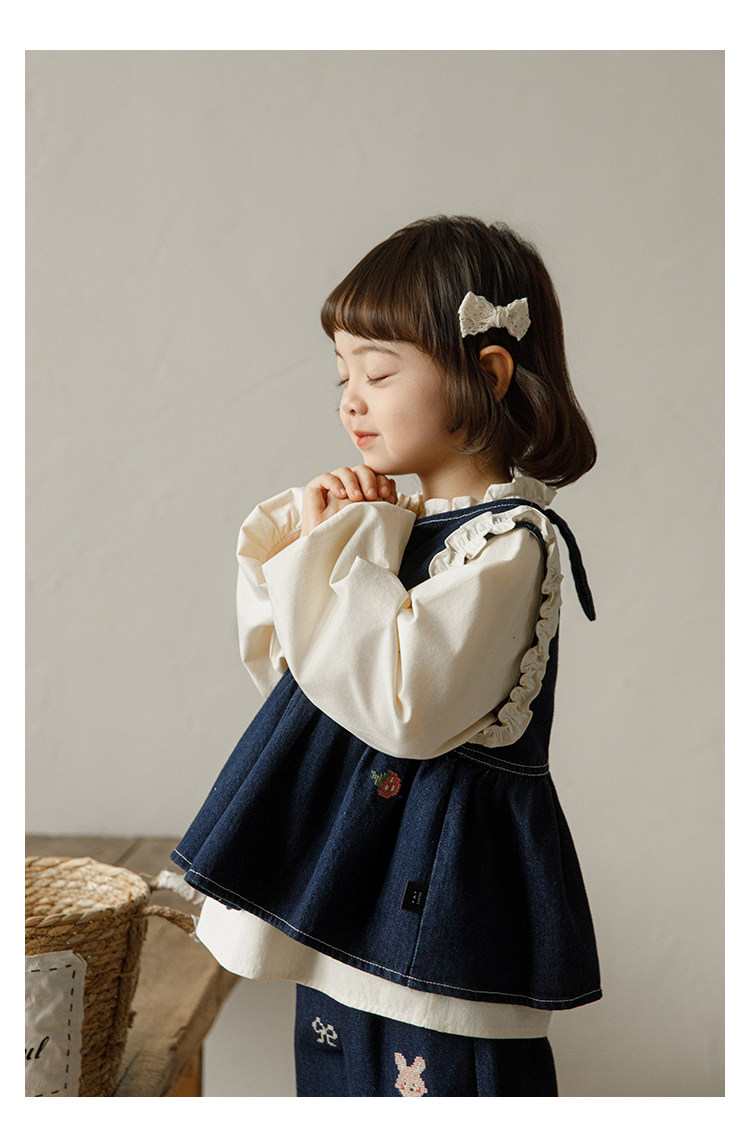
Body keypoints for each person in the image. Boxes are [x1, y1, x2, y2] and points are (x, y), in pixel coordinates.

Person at [172, 215, 602, 1097]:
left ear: (488, 373)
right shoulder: (401, 526)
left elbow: (404, 704)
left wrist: (348, 547)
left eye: (377, 371)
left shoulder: (507, 544)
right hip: (350, 896)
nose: (351, 400)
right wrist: (329, 534)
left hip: (437, 916)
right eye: (342, 376)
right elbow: (302, 677)